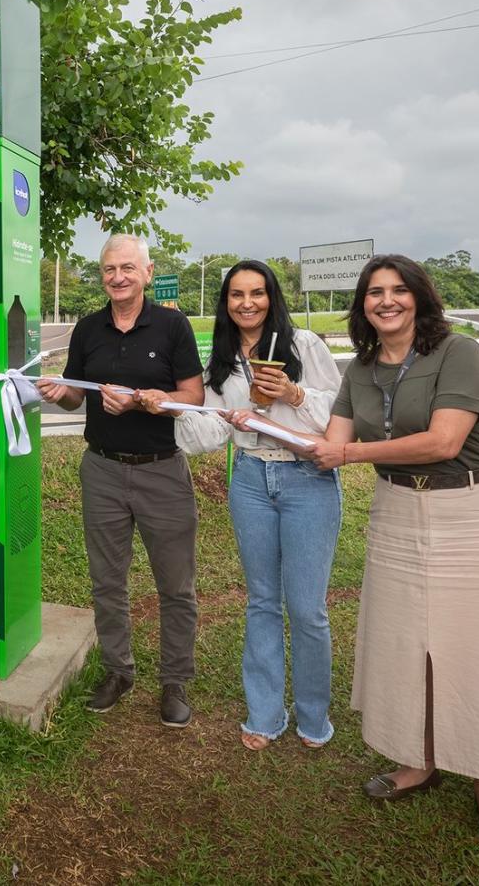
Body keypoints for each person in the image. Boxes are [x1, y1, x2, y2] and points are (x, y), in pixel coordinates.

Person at [248, 254, 479, 861]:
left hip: (472, 508)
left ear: (419, 298)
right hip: (398, 510)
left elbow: (444, 440)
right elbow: (330, 442)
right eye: (374, 292)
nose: (386, 301)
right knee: (407, 643)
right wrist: (256, 424)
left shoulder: (457, 352)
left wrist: (345, 457)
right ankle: (419, 761)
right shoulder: (361, 369)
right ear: (363, 306)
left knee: (474, 648)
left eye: (398, 290)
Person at [157, 260, 342, 751]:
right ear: (226, 303)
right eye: (236, 295)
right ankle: (264, 714)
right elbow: (207, 436)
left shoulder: (303, 346)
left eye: (256, 293)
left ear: (271, 297)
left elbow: (343, 416)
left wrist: (294, 393)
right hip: (252, 478)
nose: (247, 303)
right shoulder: (220, 359)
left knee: (307, 609)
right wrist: (175, 407)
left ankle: (313, 717)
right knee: (262, 601)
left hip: (308, 478)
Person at [35, 233, 204, 726]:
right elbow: (74, 396)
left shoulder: (172, 326)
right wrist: (57, 391)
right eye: (110, 269)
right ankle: (118, 671)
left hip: (161, 471)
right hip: (103, 469)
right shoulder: (88, 329)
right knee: (108, 581)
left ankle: (174, 681)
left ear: (148, 273)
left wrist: (147, 398)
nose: (118, 277)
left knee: (175, 585)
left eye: (128, 268)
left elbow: (193, 396)